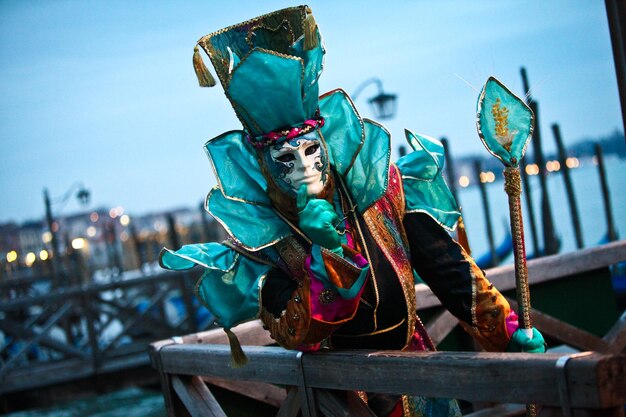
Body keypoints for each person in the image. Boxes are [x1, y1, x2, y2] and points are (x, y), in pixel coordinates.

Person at [159, 5, 545, 416]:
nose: (305, 166)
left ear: (324, 141)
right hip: (336, 400)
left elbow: (448, 270)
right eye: (285, 158)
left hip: (418, 381)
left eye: (311, 149)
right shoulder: (263, 240)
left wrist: (506, 333)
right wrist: (325, 256)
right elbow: (296, 330)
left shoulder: (382, 189)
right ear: (264, 165)